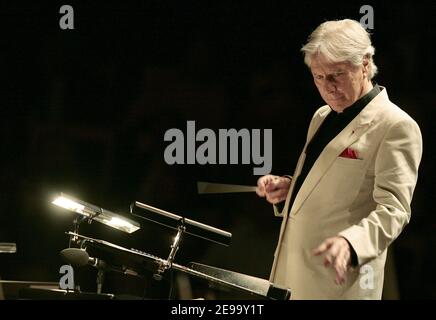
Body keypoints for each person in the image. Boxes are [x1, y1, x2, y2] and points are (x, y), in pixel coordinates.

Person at [256, 19, 422, 299]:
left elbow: (394, 210)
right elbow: (322, 182)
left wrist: (351, 242)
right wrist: (291, 187)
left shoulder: (395, 125)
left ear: (366, 64)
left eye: (336, 75)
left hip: (339, 284)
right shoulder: (321, 116)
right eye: (318, 77)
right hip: (292, 275)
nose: (327, 87)